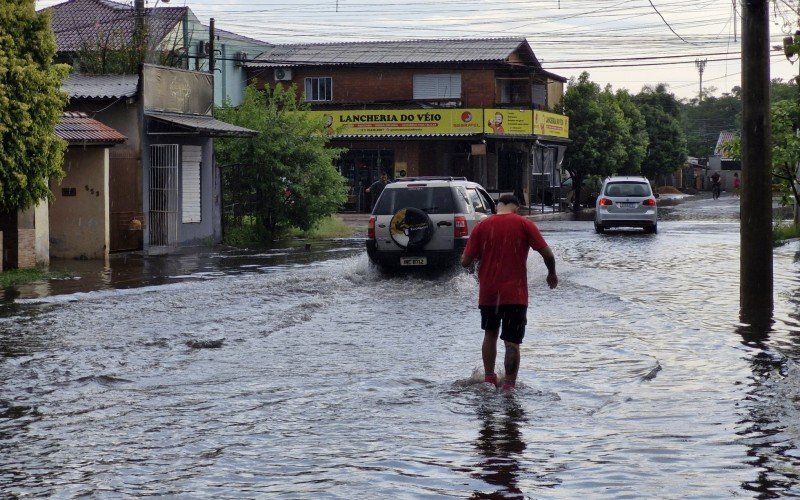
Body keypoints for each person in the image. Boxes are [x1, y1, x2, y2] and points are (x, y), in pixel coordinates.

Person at [460, 194, 558, 393]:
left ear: (497, 206)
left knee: (490, 334)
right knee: (512, 341)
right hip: (515, 295)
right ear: (517, 208)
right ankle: (509, 386)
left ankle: (488, 380)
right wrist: (552, 274)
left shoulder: (481, 226)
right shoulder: (524, 224)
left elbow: (465, 262)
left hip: (489, 294)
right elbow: (547, 253)